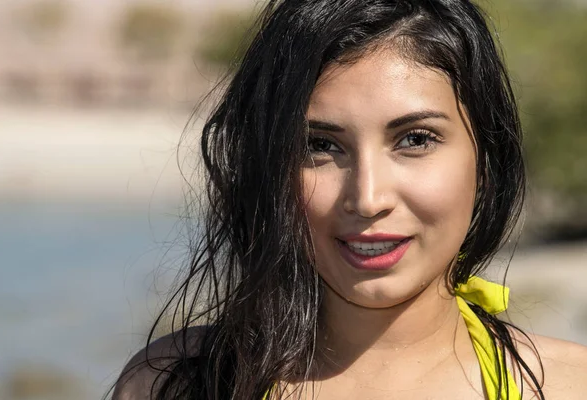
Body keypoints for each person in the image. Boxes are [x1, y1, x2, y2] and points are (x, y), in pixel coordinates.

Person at [110, 0, 587, 399]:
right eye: (321, 145)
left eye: (415, 139)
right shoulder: (174, 385)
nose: (367, 198)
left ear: (485, 159)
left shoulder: (568, 387)